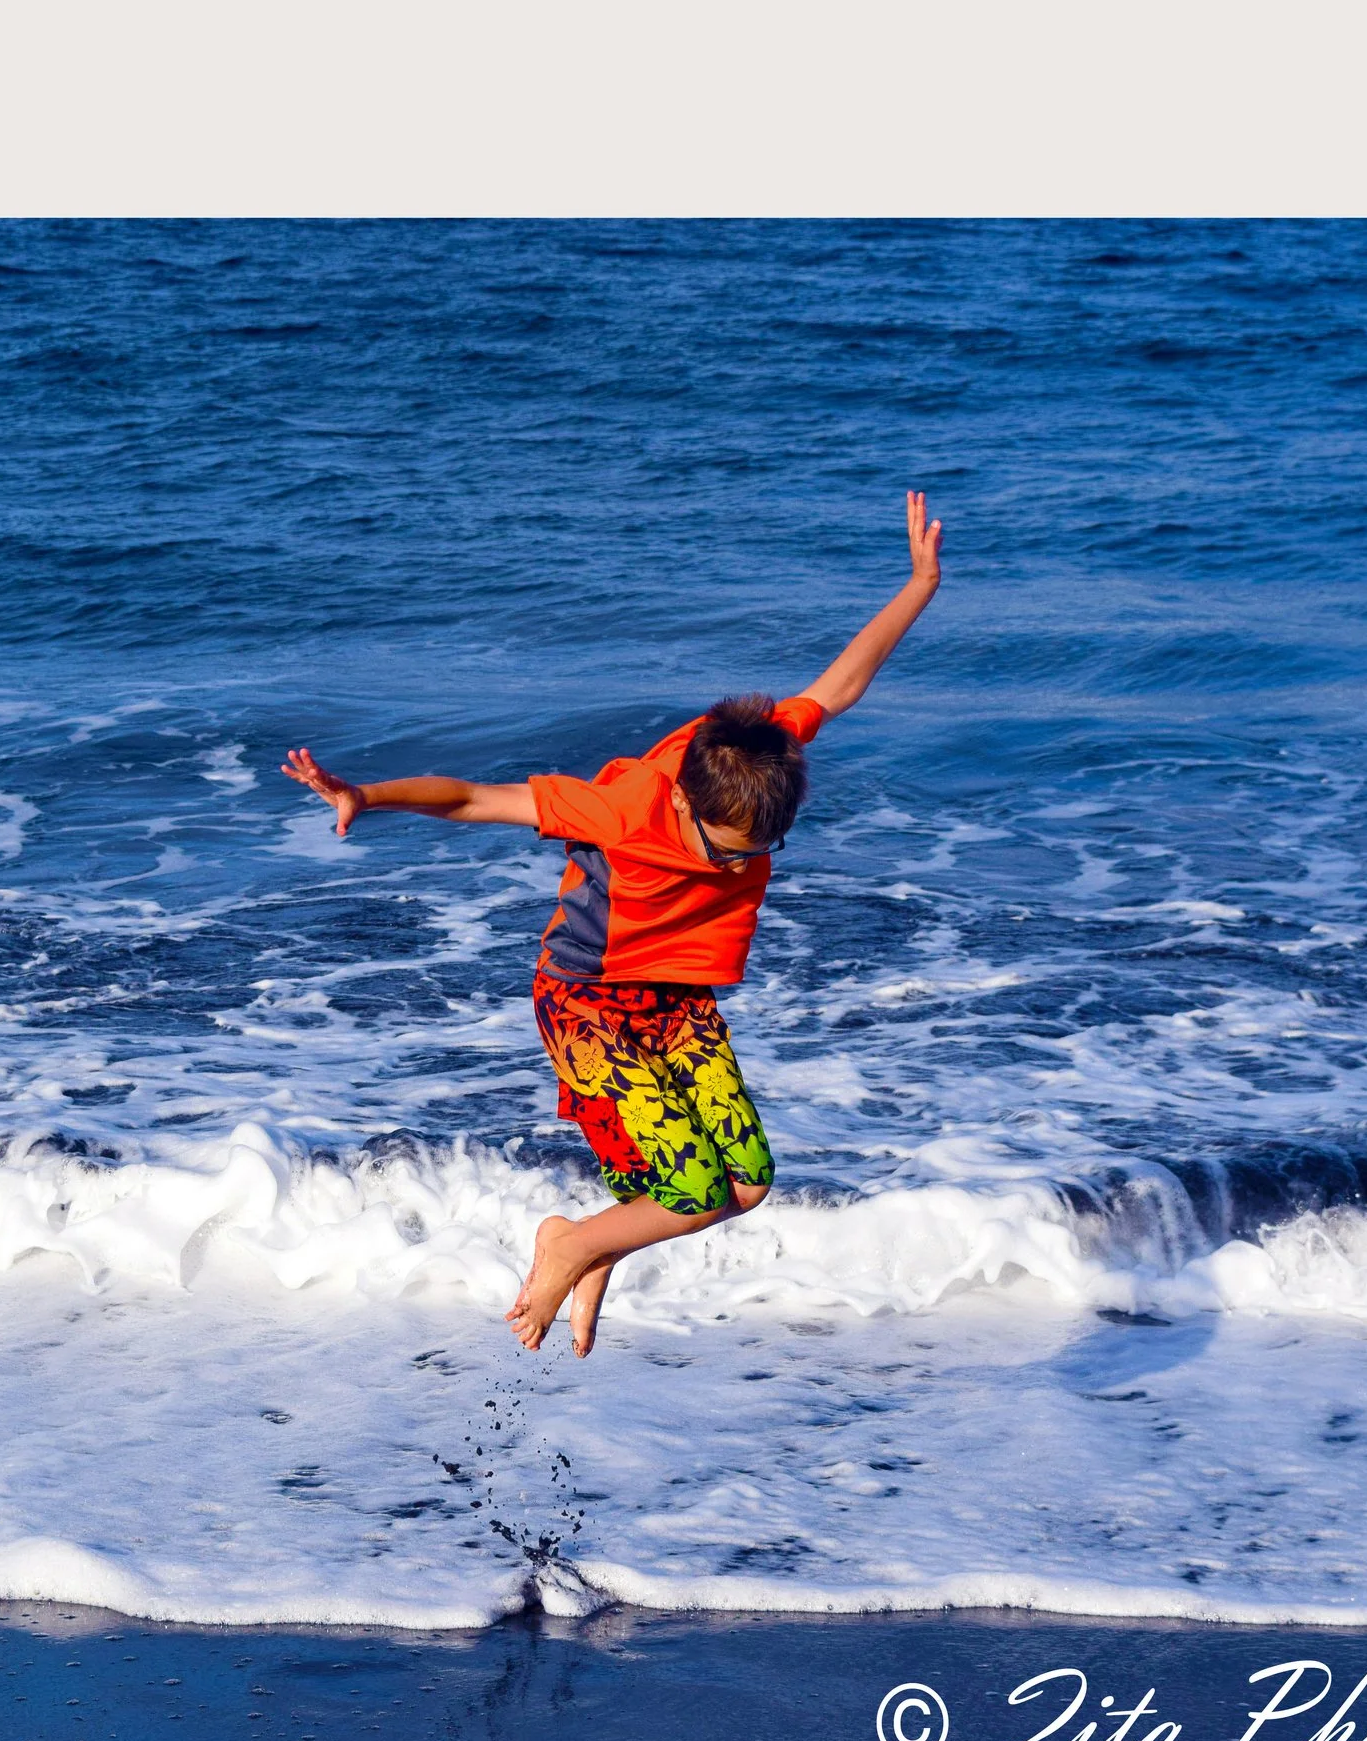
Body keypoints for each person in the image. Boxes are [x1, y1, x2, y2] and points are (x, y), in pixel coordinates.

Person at [281, 489, 943, 1354]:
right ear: (683, 801)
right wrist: (365, 794)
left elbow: (841, 683)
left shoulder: (761, 756)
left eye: (762, 851)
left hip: (675, 999)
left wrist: (920, 583)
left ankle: (593, 1253)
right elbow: (476, 796)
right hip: (589, 1000)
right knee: (691, 1191)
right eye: (729, 853)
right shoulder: (623, 808)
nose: (744, 866)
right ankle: (570, 1245)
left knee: (744, 1185)